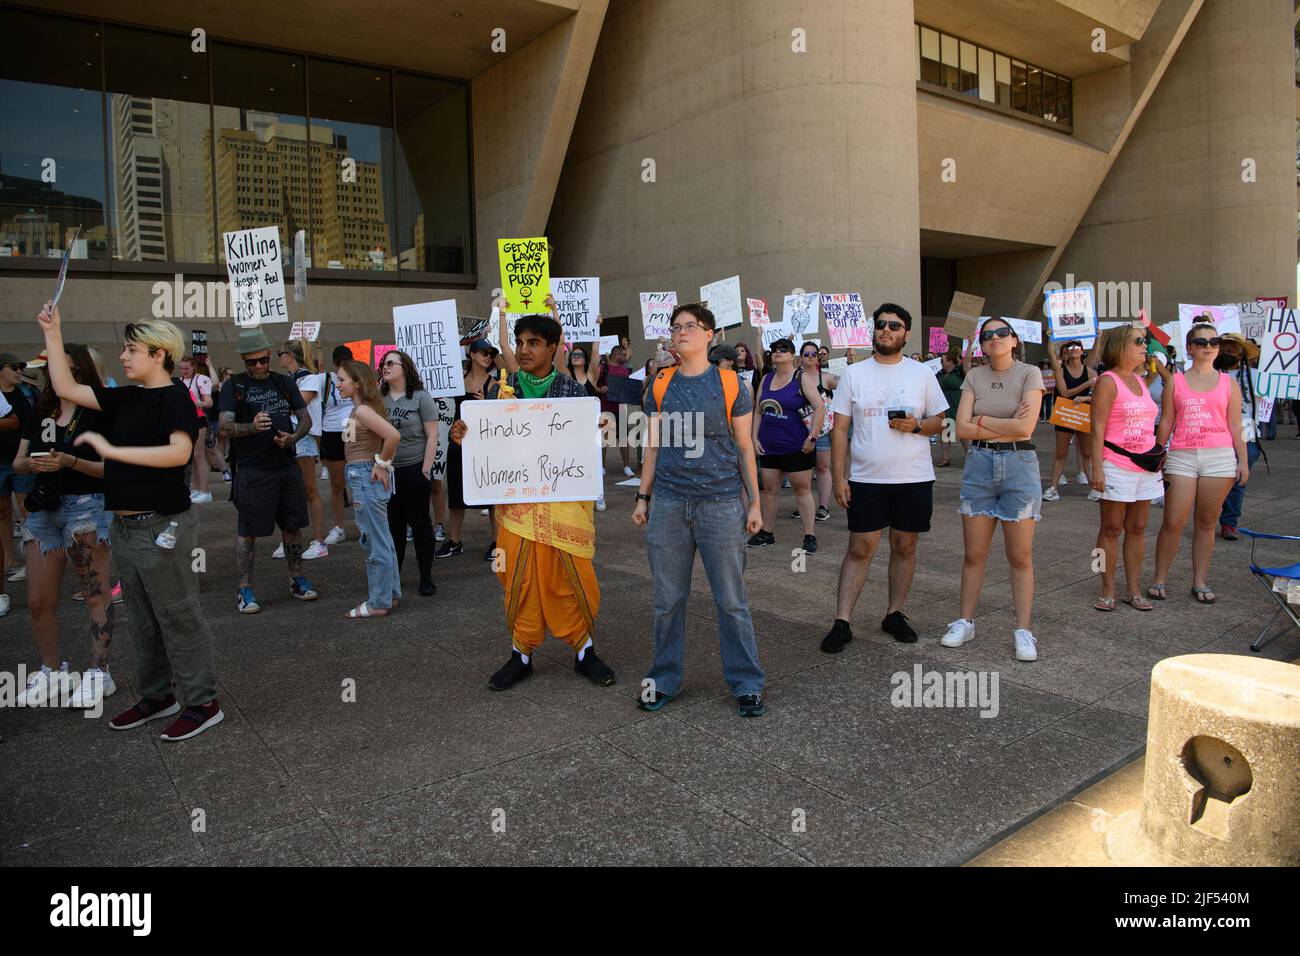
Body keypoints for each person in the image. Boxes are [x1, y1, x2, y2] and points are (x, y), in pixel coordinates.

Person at [37, 304, 223, 741]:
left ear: (158, 354)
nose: (123, 356)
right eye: (123, 348)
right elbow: (64, 384)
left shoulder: (174, 396)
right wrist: (53, 330)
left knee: (178, 616)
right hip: (124, 528)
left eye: (131, 348)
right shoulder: (125, 396)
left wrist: (112, 451)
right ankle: (158, 696)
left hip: (163, 526)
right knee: (141, 617)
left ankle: (203, 702)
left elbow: (179, 453)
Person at [450, 299, 616, 691]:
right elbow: (483, 446)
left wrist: (600, 430)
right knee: (518, 579)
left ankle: (584, 650)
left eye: (534, 342)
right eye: (520, 342)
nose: (524, 349)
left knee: (571, 579)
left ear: (553, 347)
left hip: (565, 508)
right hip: (517, 509)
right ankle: (520, 654)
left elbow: (588, 449)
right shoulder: (498, 393)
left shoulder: (575, 395)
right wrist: (463, 436)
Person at [634, 302, 766, 716]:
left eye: (691, 326)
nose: (682, 332)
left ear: (710, 335)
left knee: (731, 600)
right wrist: (643, 496)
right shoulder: (660, 383)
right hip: (670, 505)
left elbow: (745, 448)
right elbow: (652, 445)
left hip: (722, 505)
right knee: (667, 600)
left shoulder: (730, 384)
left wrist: (755, 502)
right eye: (676, 327)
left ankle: (746, 683)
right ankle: (664, 678)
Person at [821, 304, 948, 653]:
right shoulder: (854, 374)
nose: (886, 330)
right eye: (881, 325)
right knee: (860, 547)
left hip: (913, 476)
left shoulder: (921, 374)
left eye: (894, 326)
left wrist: (918, 425)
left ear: (906, 333)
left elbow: (940, 420)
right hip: (866, 477)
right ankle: (842, 621)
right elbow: (840, 429)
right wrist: (839, 477)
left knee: (904, 546)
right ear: (873, 331)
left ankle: (894, 613)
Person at [11, 342, 119, 708]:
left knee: (95, 595)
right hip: (43, 510)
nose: (46, 375)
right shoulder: (42, 408)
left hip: (87, 507)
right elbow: (18, 462)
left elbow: (113, 468)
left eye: (55, 367)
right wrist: (35, 465)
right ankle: (52, 670)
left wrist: (70, 462)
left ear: (77, 370)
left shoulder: (99, 410)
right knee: (38, 601)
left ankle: (100, 673)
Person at [940, 318, 1045, 661]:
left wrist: (982, 421)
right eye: (988, 335)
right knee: (974, 554)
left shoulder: (1029, 373)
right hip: (980, 467)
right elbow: (962, 429)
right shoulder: (974, 376)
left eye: (1002, 333)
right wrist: (1003, 426)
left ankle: (1024, 630)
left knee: (1020, 556)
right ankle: (965, 621)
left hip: (1019, 467)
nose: (995, 338)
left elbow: (1026, 427)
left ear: (1014, 340)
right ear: (982, 344)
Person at [218, 327, 318, 613]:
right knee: (248, 531)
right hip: (252, 469)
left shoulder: (283, 382)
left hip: (285, 466)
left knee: (293, 526)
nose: (260, 366)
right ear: (243, 360)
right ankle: (245, 588)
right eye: (253, 362)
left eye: (264, 360)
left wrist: (293, 439)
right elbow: (223, 428)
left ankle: (296, 578)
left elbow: (305, 420)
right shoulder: (234, 387)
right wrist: (251, 426)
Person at [1147, 325, 1248, 604]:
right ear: (1190, 348)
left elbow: (1236, 424)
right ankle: (1159, 578)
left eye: (1214, 341)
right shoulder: (1176, 382)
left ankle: (1200, 580)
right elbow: (1166, 420)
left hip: (1220, 458)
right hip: (1182, 456)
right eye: (1201, 341)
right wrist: (1157, 452)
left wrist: (1243, 460)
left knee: (1206, 523)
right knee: (1173, 521)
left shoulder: (1229, 383)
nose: (1209, 345)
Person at [1089, 326, 1163, 612]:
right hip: (1116, 463)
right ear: (1121, 346)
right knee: (1110, 528)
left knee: (1138, 527)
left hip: (1145, 464)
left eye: (1145, 341)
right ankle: (1106, 586)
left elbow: (1168, 373)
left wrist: (1152, 347)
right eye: (1139, 342)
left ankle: (1132, 588)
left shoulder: (1141, 379)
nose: (1145, 346)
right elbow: (1097, 427)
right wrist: (1097, 467)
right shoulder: (1108, 381)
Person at [336, 360, 402, 617]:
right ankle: (389, 595)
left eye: (342, 380)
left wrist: (382, 464)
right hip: (362, 475)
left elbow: (393, 436)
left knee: (374, 541)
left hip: (365, 476)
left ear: (357, 383)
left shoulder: (362, 411)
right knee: (382, 540)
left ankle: (379, 602)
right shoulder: (361, 410)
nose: (338, 384)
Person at [750, 338, 824, 553]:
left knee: (802, 490)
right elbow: (758, 411)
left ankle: (809, 535)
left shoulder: (801, 378)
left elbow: (819, 408)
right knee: (770, 491)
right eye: (774, 350)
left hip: (796, 446)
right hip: (769, 446)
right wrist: (754, 438)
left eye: (783, 349)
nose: (777, 352)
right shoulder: (766, 378)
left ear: (793, 356)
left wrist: (812, 438)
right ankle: (767, 532)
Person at [379, 350, 438, 596]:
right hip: (388, 472)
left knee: (420, 523)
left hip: (415, 469)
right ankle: (395, 577)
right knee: (394, 527)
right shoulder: (379, 398)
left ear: (405, 368)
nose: (385, 366)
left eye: (391, 363)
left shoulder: (421, 398)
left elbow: (432, 435)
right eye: (383, 363)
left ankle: (426, 576)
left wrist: (425, 469)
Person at [437, 338, 497, 559]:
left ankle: (497, 542)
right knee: (456, 494)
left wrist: (485, 403)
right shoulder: (457, 382)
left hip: (484, 446)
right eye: (483, 352)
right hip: (458, 444)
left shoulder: (494, 384)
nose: (488, 356)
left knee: (490, 496)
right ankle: (453, 541)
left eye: (490, 353)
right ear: (471, 354)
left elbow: (499, 419)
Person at [275, 342, 329, 560]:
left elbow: (294, 405)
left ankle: (319, 541)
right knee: (286, 490)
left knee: (309, 489)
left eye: (280, 353)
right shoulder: (287, 380)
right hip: (285, 434)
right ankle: (288, 539)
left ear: (289, 356)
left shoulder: (309, 378)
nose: (278, 357)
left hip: (303, 436)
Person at [1214, 333, 1262, 542]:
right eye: (1223, 350)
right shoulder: (1212, 376)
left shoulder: (1257, 376)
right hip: (1217, 436)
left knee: (1238, 482)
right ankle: (1208, 519)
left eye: (1231, 350)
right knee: (1215, 482)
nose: (1226, 353)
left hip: (1247, 436)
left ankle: (1229, 523)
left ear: (1241, 354)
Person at [1043, 339, 1099, 501]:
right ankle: (1053, 488)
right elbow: (1065, 393)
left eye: (1077, 347)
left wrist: (1098, 337)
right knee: (1061, 452)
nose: (1073, 349)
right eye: (1070, 347)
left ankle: (1093, 487)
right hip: (1065, 413)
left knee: (1087, 453)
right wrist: (1085, 385)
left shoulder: (1090, 372)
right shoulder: (1061, 370)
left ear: (1082, 351)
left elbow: (1096, 396)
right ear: (1066, 352)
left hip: (1082, 414)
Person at [1, 352, 39, 581]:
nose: (18, 371)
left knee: (29, 511)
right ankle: (9, 558)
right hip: (0, 462)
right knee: (2, 513)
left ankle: (34, 561)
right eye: (13, 367)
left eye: (20, 367)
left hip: (22, 459)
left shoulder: (27, 393)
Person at [794, 341, 835, 522]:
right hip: (798, 430)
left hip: (821, 432)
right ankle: (804, 505)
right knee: (801, 469)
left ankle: (823, 506)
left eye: (813, 354)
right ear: (800, 357)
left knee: (822, 467)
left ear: (818, 356)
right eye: (806, 354)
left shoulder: (825, 378)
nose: (810, 357)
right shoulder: (794, 377)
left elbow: (845, 383)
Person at [318, 346, 355, 547]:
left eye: (348, 362)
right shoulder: (327, 379)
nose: (345, 366)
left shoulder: (357, 376)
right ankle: (339, 527)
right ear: (335, 364)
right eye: (341, 363)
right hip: (331, 431)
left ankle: (365, 524)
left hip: (353, 427)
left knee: (359, 477)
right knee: (336, 483)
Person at [178, 355, 215, 503]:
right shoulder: (180, 381)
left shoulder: (201, 379)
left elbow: (209, 401)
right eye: (181, 368)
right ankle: (196, 489)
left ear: (193, 367)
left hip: (199, 420)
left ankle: (205, 490)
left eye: (186, 368)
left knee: (199, 455)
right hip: (186, 421)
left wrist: (200, 403)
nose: (184, 371)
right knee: (192, 456)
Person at [595, 343, 636, 477]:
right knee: (605, 438)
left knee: (623, 439)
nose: (625, 357)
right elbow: (594, 385)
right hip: (606, 408)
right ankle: (601, 467)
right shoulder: (603, 368)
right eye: (622, 354)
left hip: (620, 408)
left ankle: (627, 466)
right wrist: (600, 389)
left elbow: (628, 389)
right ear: (614, 354)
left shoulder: (625, 371)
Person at [935, 351, 968, 467]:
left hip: (958, 405)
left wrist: (969, 346)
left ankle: (969, 457)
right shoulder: (939, 374)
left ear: (950, 361)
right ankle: (945, 458)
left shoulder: (960, 372)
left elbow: (967, 362)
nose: (941, 363)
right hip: (945, 406)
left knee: (963, 433)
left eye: (942, 361)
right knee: (945, 432)